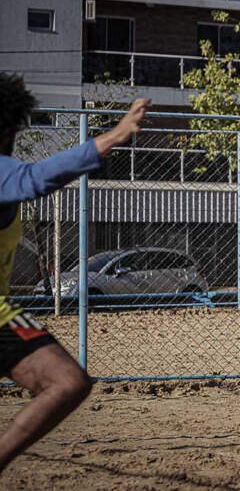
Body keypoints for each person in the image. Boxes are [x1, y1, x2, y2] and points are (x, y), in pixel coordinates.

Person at [0, 72, 150, 475]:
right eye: (12, 130)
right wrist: (113, 137)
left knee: (68, 382)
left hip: (1, 314)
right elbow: (33, 179)